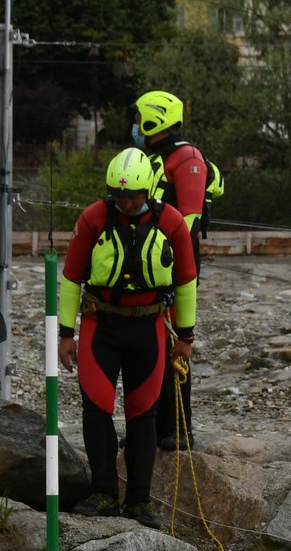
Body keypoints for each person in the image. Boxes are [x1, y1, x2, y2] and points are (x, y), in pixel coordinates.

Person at [57, 147, 198, 528]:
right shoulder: (94, 218)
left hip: (148, 327)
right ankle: (104, 492)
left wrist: (185, 337)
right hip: (101, 326)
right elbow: (71, 276)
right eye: (119, 196)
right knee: (96, 406)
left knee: (143, 412)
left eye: (133, 196)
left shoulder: (170, 222)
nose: (125, 202)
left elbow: (186, 280)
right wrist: (65, 333)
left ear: (148, 191)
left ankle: (139, 500)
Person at [133, 89, 211, 452]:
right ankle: (150, 427)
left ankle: (180, 428)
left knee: (176, 344)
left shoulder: (187, 158)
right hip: (148, 263)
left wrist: (174, 268)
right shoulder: (153, 158)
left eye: (139, 119)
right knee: (149, 346)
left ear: (154, 119)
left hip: (175, 265)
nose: (135, 125)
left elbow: (190, 220)